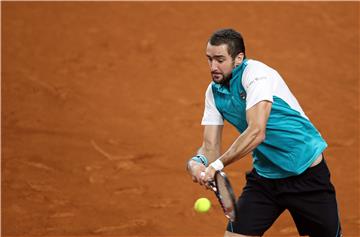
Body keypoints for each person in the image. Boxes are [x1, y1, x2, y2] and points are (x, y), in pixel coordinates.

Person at [186, 28, 342, 237]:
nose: (213, 66)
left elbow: (257, 131)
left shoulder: (257, 75)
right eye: (209, 59)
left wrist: (216, 165)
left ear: (238, 58)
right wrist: (197, 163)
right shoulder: (213, 93)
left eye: (220, 59)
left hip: (306, 174)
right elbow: (210, 148)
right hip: (265, 179)